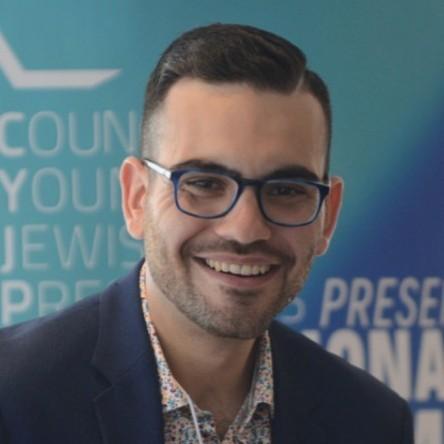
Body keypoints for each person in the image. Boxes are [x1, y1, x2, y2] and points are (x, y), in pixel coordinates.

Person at [0, 23, 413, 444]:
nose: (246, 228)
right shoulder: (11, 398)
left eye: (287, 190)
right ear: (137, 198)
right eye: (204, 183)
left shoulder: (371, 421)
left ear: (327, 214)